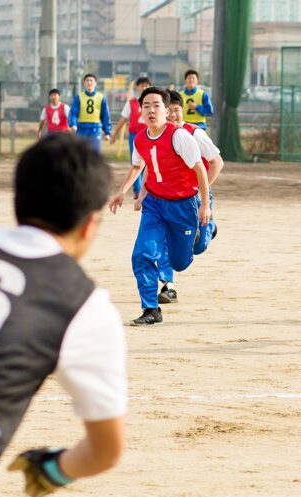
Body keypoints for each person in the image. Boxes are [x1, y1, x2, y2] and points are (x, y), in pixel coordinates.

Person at [0, 134, 126, 497]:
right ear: (90, 226)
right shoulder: (85, 304)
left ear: (18, 200)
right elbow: (106, 450)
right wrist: (56, 469)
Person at [109, 87, 210, 326]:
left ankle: (205, 229)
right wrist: (122, 192)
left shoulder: (179, 137)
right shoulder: (141, 138)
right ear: (140, 111)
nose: (151, 110)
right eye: (146, 106)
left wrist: (205, 205)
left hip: (184, 206)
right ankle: (151, 310)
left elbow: (200, 169)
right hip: (154, 204)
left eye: (156, 106)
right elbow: (137, 167)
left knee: (179, 263)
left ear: (166, 111)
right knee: (142, 254)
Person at [144, 90, 223, 305]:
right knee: (166, 240)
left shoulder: (194, 133)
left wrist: (200, 192)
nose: (172, 117)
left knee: (197, 248)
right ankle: (168, 286)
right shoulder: (161, 134)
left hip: (195, 197)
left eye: (176, 112)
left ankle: (209, 228)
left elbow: (217, 162)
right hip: (170, 200)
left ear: (182, 112)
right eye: (168, 112)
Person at [111, 77, 152, 199]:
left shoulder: (152, 103)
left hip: (149, 135)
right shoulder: (131, 103)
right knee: (136, 162)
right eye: (141, 85)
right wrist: (115, 134)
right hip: (135, 136)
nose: (144, 88)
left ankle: (148, 189)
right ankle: (137, 191)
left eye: (146, 85)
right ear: (137, 87)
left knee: (149, 163)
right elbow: (123, 119)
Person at [69, 74, 111, 152]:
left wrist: (107, 132)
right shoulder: (79, 97)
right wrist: (73, 124)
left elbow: (105, 115)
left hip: (95, 128)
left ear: (95, 83)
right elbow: (74, 112)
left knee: (94, 153)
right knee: (81, 152)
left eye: (91, 80)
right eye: (87, 81)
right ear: (84, 83)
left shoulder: (101, 98)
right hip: (82, 128)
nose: (89, 83)